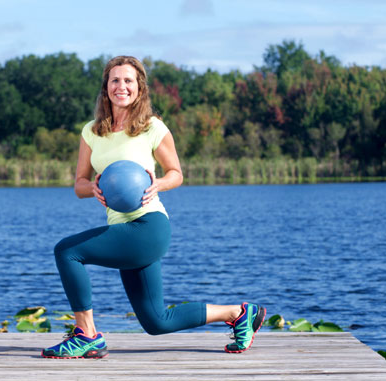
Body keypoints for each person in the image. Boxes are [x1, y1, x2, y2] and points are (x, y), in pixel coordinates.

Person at [41, 56, 266, 359]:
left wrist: (158, 183)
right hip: (122, 229)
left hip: (149, 226)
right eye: (115, 80)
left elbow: (176, 173)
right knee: (156, 321)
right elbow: (79, 184)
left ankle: (87, 335)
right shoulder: (92, 132)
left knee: (67, 251)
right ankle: (240, 313)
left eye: (128, 81)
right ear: (106, 87)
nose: (122, 86)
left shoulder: (151, 128)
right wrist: (92, 188)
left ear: (140, 88)